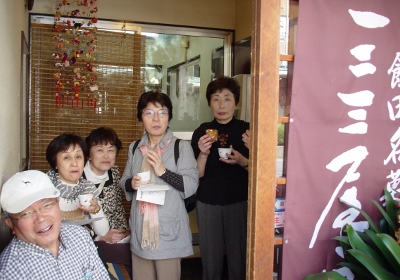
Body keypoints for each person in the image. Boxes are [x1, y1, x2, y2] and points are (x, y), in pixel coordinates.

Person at [120, 91, 199, 280]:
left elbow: (191, 184)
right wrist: (132, 182)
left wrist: (163, 171)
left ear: (169, 116)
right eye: (149, 113)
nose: (156, 119)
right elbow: (124, 182)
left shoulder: (180, 147)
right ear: (141, 117)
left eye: (162, 112)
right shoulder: (135, 147)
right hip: (141, 232)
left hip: (168, 231)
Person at [191, 76, 250, 280]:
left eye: (227, 98)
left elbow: (261, 173)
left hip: (239, 201)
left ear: (236, 102)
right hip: (208, 202)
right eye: (216, 99)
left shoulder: (247, 130)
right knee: (211, 261)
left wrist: (244, 158)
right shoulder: (202, 132)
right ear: (209, 103)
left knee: (239, 260)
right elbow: (197, 174)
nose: (221, 105)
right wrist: (203, 153)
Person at [0, 170, 110, 279]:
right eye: (26, 214)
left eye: (47, 205)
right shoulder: (10, 272)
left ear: (58, 203)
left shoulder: (79, 236)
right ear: (10, 223)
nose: (41, 218)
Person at [83, 127, 132, 279]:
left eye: (111, 150)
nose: (106, 155)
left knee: (137, 248)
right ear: (89, 154)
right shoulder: (78, 177)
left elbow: (117, 208)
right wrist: (102, 236)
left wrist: (124, 232)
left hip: (116, 237)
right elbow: (75, 219)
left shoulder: (114, 172)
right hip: (90, 241)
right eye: (99, 150)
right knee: (133, 254)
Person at [45, 133, 110, 239]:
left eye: (78, 157)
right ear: (55, 163)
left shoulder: (88, 188)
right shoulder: (45, 188)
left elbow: (102, 232)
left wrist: (95, 210)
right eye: (66, 158)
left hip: (81, 248)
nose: (74, 163)